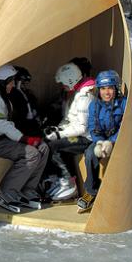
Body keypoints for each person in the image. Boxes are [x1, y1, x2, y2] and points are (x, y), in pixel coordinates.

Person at [0, 64, 49, 212]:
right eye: (10, 82)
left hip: (4, 137)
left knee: (43, 148)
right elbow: (1, 125)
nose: (13, 85)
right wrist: (24, 139)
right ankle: (6, 192)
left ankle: (27, 190)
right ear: (1, 82)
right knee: (31, 153)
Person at [42, 62, 96, 201]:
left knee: (53, 145)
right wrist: (58, 129)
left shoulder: (85, 98)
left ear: (71, 80)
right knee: (49, 141)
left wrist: (59, 134)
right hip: (80, 135)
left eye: (64, 83)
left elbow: (82, 128)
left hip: (87, 139)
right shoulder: (77, 94)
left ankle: (66, 184)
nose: (63, 87)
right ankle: (60, 179)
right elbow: (72, 120)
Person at [77, 70, 126, 213]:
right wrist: (99, 142)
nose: (107, 92)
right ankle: (92, 191)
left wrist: (112, 141)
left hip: (118, 140)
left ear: (115, 88)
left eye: (110, 88)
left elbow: (124, 125)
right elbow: (93, 127)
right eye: (103, 88)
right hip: (101, 139)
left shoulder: (123, 104)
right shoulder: (94, 105)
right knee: (90, 154)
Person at [7, 66, 43, 139]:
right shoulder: (12, 95)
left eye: (25, 83)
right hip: (21, 127)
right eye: (22, 82)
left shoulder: (27, 93)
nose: (24, 85)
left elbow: (33, 107)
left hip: (31, 123)